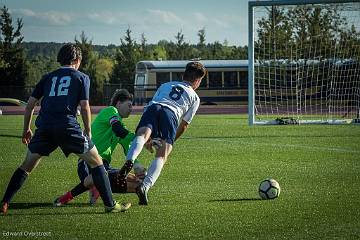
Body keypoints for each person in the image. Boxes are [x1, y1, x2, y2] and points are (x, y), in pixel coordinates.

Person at [0, 43, 130, 215]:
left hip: (45, 127)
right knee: (97, 162)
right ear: (76, 60)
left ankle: (4, 203)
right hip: (68, 127)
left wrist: (27, 129)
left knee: (26, 166)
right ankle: (110, 205)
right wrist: (88, 130)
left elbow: (30, 105)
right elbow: (84, 106)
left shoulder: (47, 77)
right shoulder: (81, 77)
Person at [118, 61, 207, 205]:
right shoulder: (195, 97)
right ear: (197, 81)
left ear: (183, 75)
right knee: (162, 155)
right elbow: (184, 125)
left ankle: (130, 160)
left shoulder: (166, 85)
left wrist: (150, 138)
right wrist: (169, 143)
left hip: (153, 108)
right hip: (171, 113)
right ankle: (145, 186)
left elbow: (153, 106)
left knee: (141, 135)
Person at [53, 89, 146, 206]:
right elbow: (118, 130)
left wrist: (137, 166)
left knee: (138, 183)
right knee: (98, 176)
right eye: (129, 105)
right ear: (118, 103)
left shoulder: (121, 126)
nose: (131, 109)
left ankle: (97, 187)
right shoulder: (111, 111)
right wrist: (142, 139)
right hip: (88, 162)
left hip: (104, 166)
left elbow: (129, 149)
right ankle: (68, 196)